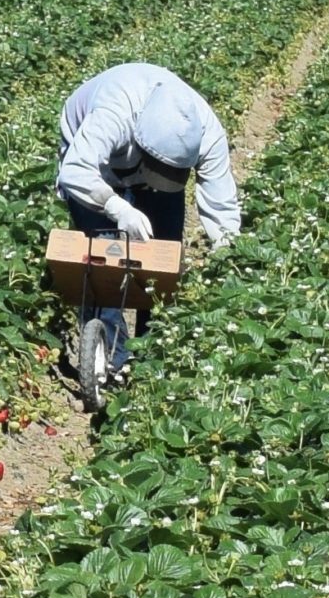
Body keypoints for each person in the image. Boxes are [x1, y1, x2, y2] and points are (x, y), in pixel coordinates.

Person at [54, 61, 240, 373]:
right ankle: (111, 358)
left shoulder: (205, 130)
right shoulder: (114, 115)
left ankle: (153, 354)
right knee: (101, 260)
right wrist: (117, 207)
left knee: (163, 258)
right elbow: (76, 171)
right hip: (95, 168)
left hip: (138, 162)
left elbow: (222, 203)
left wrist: (227, 250)